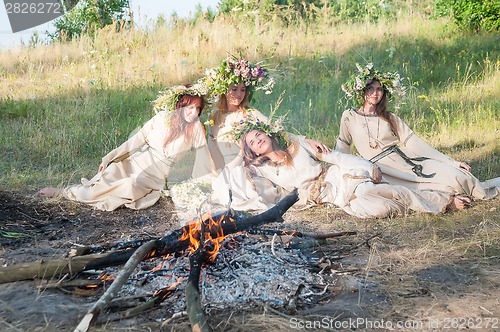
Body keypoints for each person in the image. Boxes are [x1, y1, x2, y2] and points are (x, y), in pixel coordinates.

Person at [212, 116, 466, 219]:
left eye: (259, 135)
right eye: (253, 143)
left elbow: (336, 158)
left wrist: (367, 167)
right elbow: (228, 176)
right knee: (374, 210)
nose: (258, 141)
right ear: (253, 151)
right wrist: (239, 154)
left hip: (342, 178)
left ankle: (445, 202)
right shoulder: (264, 170)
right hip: (333, 198)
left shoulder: (299, 146)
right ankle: (427, 203)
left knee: (372, 192)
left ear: (268, 134)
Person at [336, 63, 499, 209]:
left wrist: (452, 162)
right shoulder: (349, 116)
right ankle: (451, 202)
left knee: (456, 175)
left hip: (407, 161)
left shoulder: (390, 117)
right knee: (412, 190)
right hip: (382, 170)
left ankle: (470, 192)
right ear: (361, 91)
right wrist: (339, 173)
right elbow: (342, 149)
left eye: (379, 89)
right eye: (370, 88)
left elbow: (415, 143)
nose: (375, 93)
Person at [37, 83, 217, 211]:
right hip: (135, 162)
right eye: (190, 108)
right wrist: (111, 157)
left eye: (198, 109)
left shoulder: (196, 129)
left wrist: (212, 184)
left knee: (130, 185)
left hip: (155, 175)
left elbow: (203, 158)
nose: (194, 113)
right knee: (110, 175)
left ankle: (65, 193)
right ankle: (66, 191)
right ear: (180, 105)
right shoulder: (162, 117)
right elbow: (136, 140)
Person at [204, 55, 330, 173]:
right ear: (224, 90)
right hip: (228, 168)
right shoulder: (215, 117)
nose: (239, 94)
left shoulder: (250, 113)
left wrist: (306, 140)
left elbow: (278, 132)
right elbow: (212, 151)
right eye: (234, 89)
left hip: (252, 168)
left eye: (243, 90)